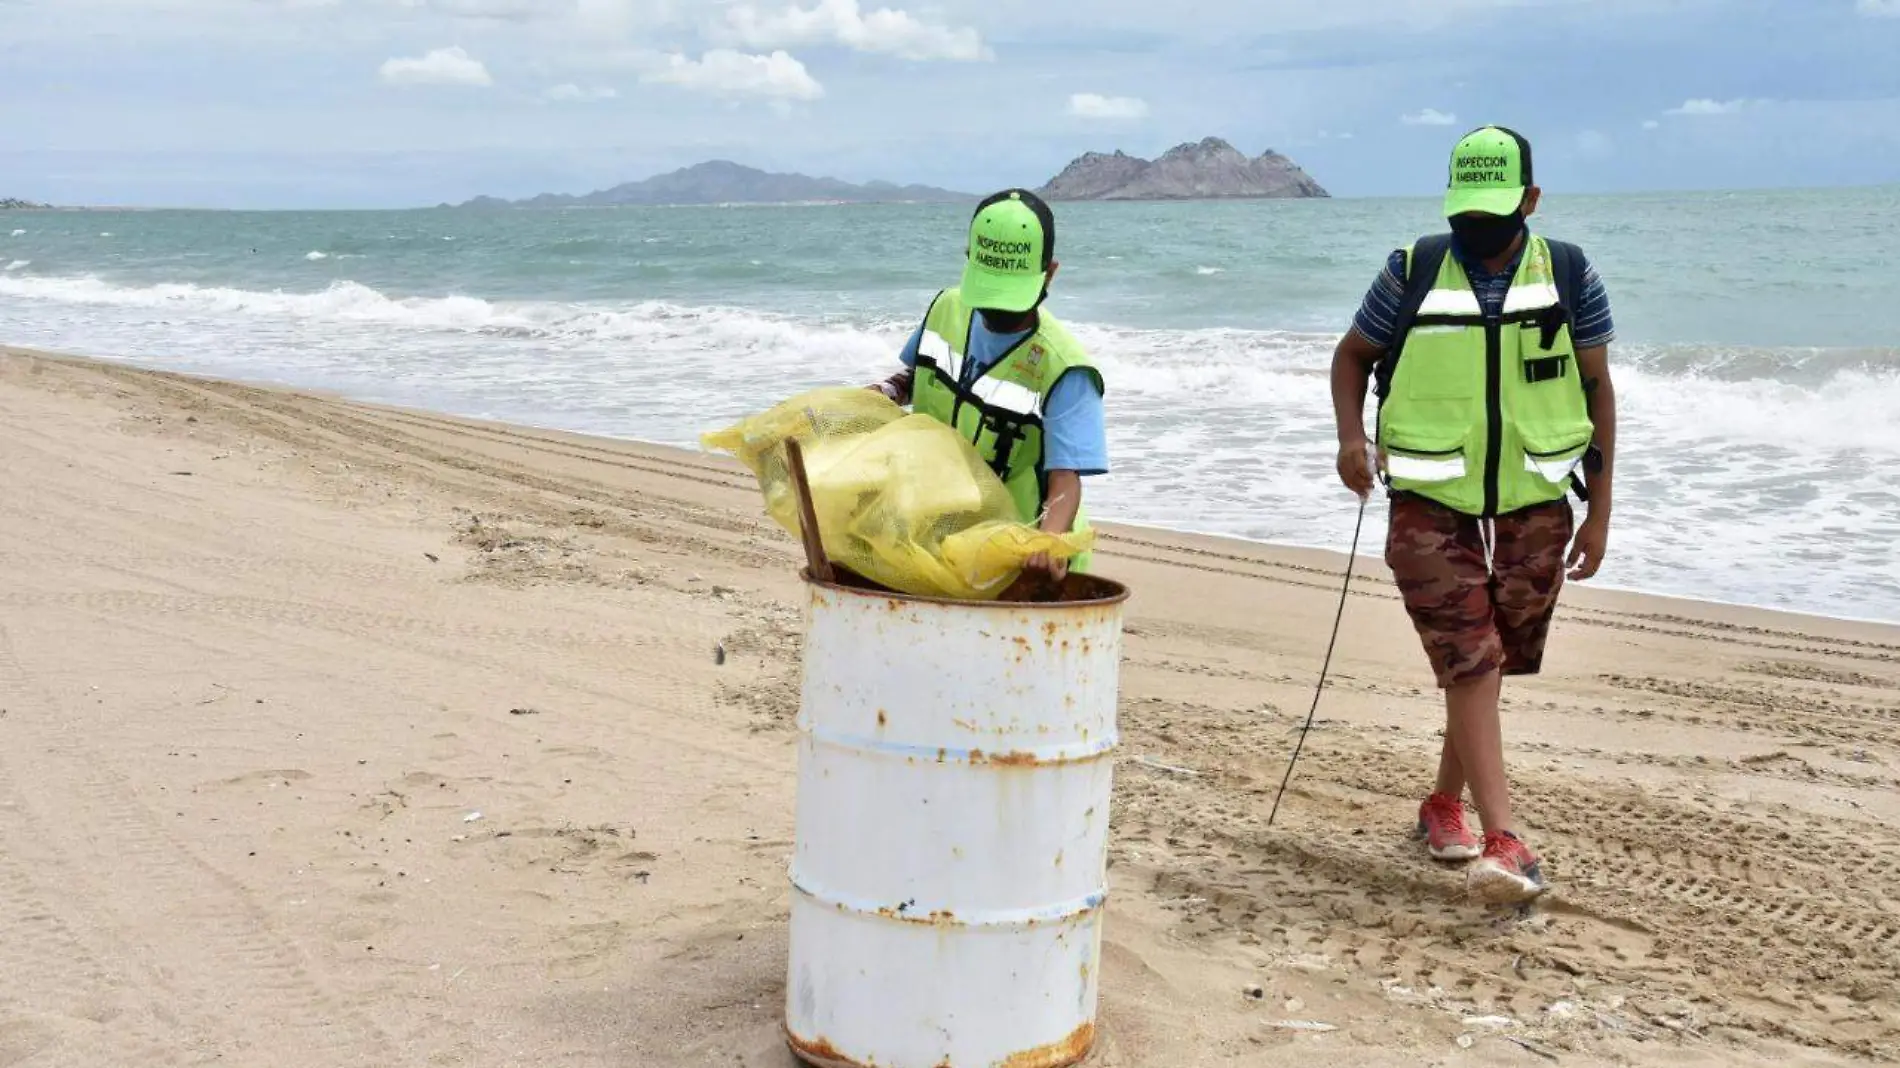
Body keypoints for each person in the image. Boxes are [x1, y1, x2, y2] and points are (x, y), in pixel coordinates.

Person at [1328, 125, 1618, 904]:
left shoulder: (1568, 272)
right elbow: (1352, 354)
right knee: (1472, 657)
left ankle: (1440, 804)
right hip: (1428, 501)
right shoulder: (1412, 270)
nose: (1480, 235)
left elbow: (1596, 387)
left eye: (1495, 218)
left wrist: (1601, 512)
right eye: (1468, 220)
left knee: (1495, 661)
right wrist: (1351, 439)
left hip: (1536, 499)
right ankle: (1504, 837)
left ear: (1530, 200)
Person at [869, 188, 1109, 581]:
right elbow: (916, 376)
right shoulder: (946, 309)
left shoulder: (1065, 368)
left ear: (1050, 273)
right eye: (988, 293)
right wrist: (884, 392)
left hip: (1023, 559)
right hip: (948, 537)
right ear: (969, 263)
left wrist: (1048, 542)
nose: (997, 310)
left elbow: (1065, 478)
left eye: (1010, 299)